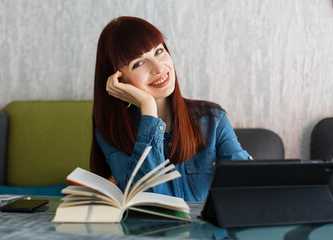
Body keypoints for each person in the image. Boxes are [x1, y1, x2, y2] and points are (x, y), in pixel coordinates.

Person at [90, 16, 250, 202]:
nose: (158, 68)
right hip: (148, 231)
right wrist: (148, 109)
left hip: (207, 231)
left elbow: (246, 186)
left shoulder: (213, 119)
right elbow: (150, 204)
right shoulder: (112, 132)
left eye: (158, 51)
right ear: (119, 81)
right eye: (138, 63)